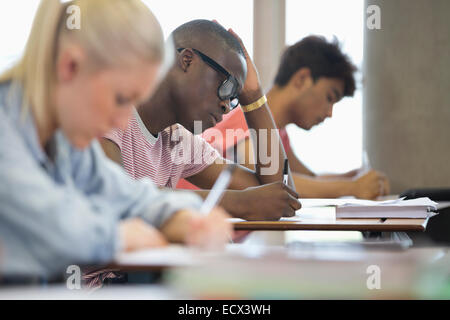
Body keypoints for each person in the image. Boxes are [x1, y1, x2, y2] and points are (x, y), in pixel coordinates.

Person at [0, 0, 231, 283]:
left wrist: (188, 217)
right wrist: (119, 236)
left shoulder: (63, 143)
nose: (123, 122)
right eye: (121, 99)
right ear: (70, 66)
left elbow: (128, 196)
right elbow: (48, 225)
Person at [101, 20, 301, 221]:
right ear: (187, 60)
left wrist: (253, 97)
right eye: (228, 86)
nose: (226, 104)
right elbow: (118, 193)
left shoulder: (177, 140)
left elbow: (278, 197)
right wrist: (237, 202)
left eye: (234, 98)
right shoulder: (109, 110)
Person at [202, 36, 390, 200]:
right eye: (329, 98)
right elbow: (268, 182)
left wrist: (350, 178)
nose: (329, 113)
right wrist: (352, 188)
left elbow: (307, 178)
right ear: (302, 79)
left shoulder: (279, 135)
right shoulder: (246, 119)